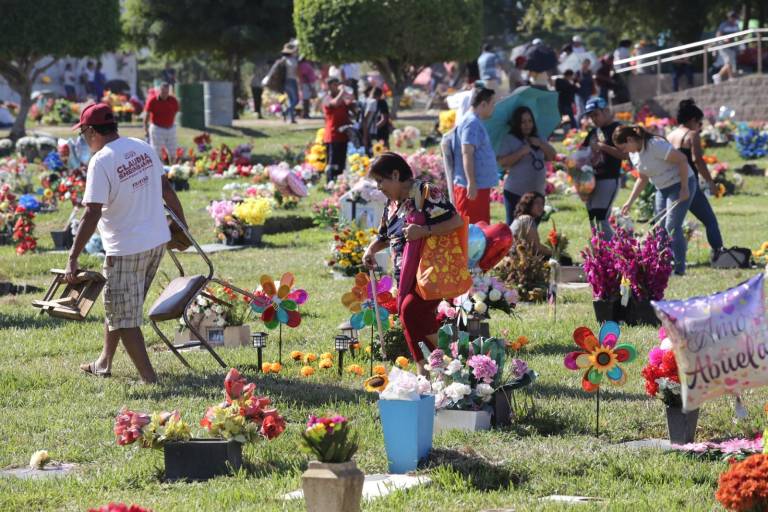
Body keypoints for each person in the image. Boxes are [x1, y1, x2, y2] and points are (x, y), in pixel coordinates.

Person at [66, 103, 186, 383]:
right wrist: (182, 225)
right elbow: (166, 188)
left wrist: (72, 256)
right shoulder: (141, 146)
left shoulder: (101, 160)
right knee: (123, 306)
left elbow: (92, 212)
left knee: (124, 316)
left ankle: (150, 380)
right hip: (156, 242)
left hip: (126, 248)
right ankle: (104, 362)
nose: (84, 138)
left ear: (91, 130)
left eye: (83, 132)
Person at [362, 153, 464, 372]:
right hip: (405, 276)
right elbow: (384, 236)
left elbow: (455, 220)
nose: (379, 187)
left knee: (409, 312)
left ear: (396, 174)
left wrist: (424, 231)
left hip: (429, 272)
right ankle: (454, 362)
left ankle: (424, 370)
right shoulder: (392, 204)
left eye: (381, 181)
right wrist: (370, 249)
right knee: (420, 322)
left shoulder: (427, 192)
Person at [615, 125, 696, 275]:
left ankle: (679, 270)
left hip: (679, 184)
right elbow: (643, 178)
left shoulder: (654, 145)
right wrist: (629, 201)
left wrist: (685, 188)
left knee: (672, 226)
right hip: (662, 189)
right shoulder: (634, 155)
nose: (623, 152)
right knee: (660, 229)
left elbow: (682, 159)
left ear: (630, 139)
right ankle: (661, 268)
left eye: (623, 147)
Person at [667, 99, 725, 259]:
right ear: (692, 120)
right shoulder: (691, 135)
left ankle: (666, 258)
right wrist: (711, 183)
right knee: (710, 221)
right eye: (699, 123)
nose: (699, 127)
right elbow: (698, 161)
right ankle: (719, 254)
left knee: (672, 226)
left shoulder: (669, 135)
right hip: (689, 185)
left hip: (671, 185)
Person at [496, 106, 556, 224]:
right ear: (516, 123)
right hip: (515, 193)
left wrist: (540, 144)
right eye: (523, 122)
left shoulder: (539, 137)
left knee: (532, 231)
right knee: (515, 230)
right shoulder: (510, 139)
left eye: (529, 121)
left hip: (537, 195)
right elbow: (503, 163)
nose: (527, 125)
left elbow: (552, 156)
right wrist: (521, 152)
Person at [451, 83, 497, 224]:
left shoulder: (474, 121)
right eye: (492, 104)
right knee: (472, 229)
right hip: (471, 187)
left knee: (480, 226)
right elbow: (467, 153)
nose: (493, 108)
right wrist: (471, 182)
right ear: (483, 104)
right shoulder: (471, 123)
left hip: (477, 185)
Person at [582, 97, 625, 239]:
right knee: (592, 218)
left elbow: (624, 155)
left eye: (596, 114)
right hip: (591, 180)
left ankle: (616, 253)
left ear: (606, 111)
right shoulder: (594, 131)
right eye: (590, 116)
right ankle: (599, 256)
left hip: (609, 179)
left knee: (600, 217)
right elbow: (582, 152)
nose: (593, 118)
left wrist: (602, 147)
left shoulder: (617, 129)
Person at [322, 77, 352, 184]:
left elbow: (350, 101)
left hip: (343, 135)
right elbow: (334, 103)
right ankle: (330, 183)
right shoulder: (327, 98)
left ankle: (339, 183)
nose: (337, 87)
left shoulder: (342, 97)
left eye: (338, 85)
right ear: (329, 86)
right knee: (332, 163)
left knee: (341, 163)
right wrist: (343, 91)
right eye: (335, 85)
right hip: (332, 136)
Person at [143, 82, 179, 161]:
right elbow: (147, 116)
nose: (165, 94)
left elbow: (175, 112)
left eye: (166, 92)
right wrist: (146, 129)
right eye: (163, 92)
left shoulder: (173, 100)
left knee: (173, 151)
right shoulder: (152, 101)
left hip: (170, 128)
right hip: (157, 128)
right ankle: (158, 170)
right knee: (156, 152)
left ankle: (173, 169)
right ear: (160, 91)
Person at [510, 191, 552, 257]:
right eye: (537, 203)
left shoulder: (522, 218)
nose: (540, 206)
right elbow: (536, 248)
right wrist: (554, 253)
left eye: (542, 204)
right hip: (516, 259)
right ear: (528, 204)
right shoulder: (527, 219)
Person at [714, 11, 741, 83]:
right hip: (723, 46)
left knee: (730, 63)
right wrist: (724, 39)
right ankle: (730, 77)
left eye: (735, 18)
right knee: (728, 61)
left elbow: (739, 35)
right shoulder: (724, 25)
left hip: (732, 46)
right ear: (730, 18)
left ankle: (718, 76)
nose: (734, 20)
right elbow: (718, 35)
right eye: (733, 18)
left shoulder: (736, 25)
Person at [362, 87, 391, 152]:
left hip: (381, 131)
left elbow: (384, 119)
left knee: (384, 152)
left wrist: (374, 128)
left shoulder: (382, 103)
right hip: (371, 131)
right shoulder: (369, 103)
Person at [281, 43, 300, 123]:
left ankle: (292, 118)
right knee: (295, 100)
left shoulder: (283, 59)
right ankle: (286, 112)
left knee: (290, 100)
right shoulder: (292, 60)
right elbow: (296, 72)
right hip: (291, 80)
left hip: (285, 81)